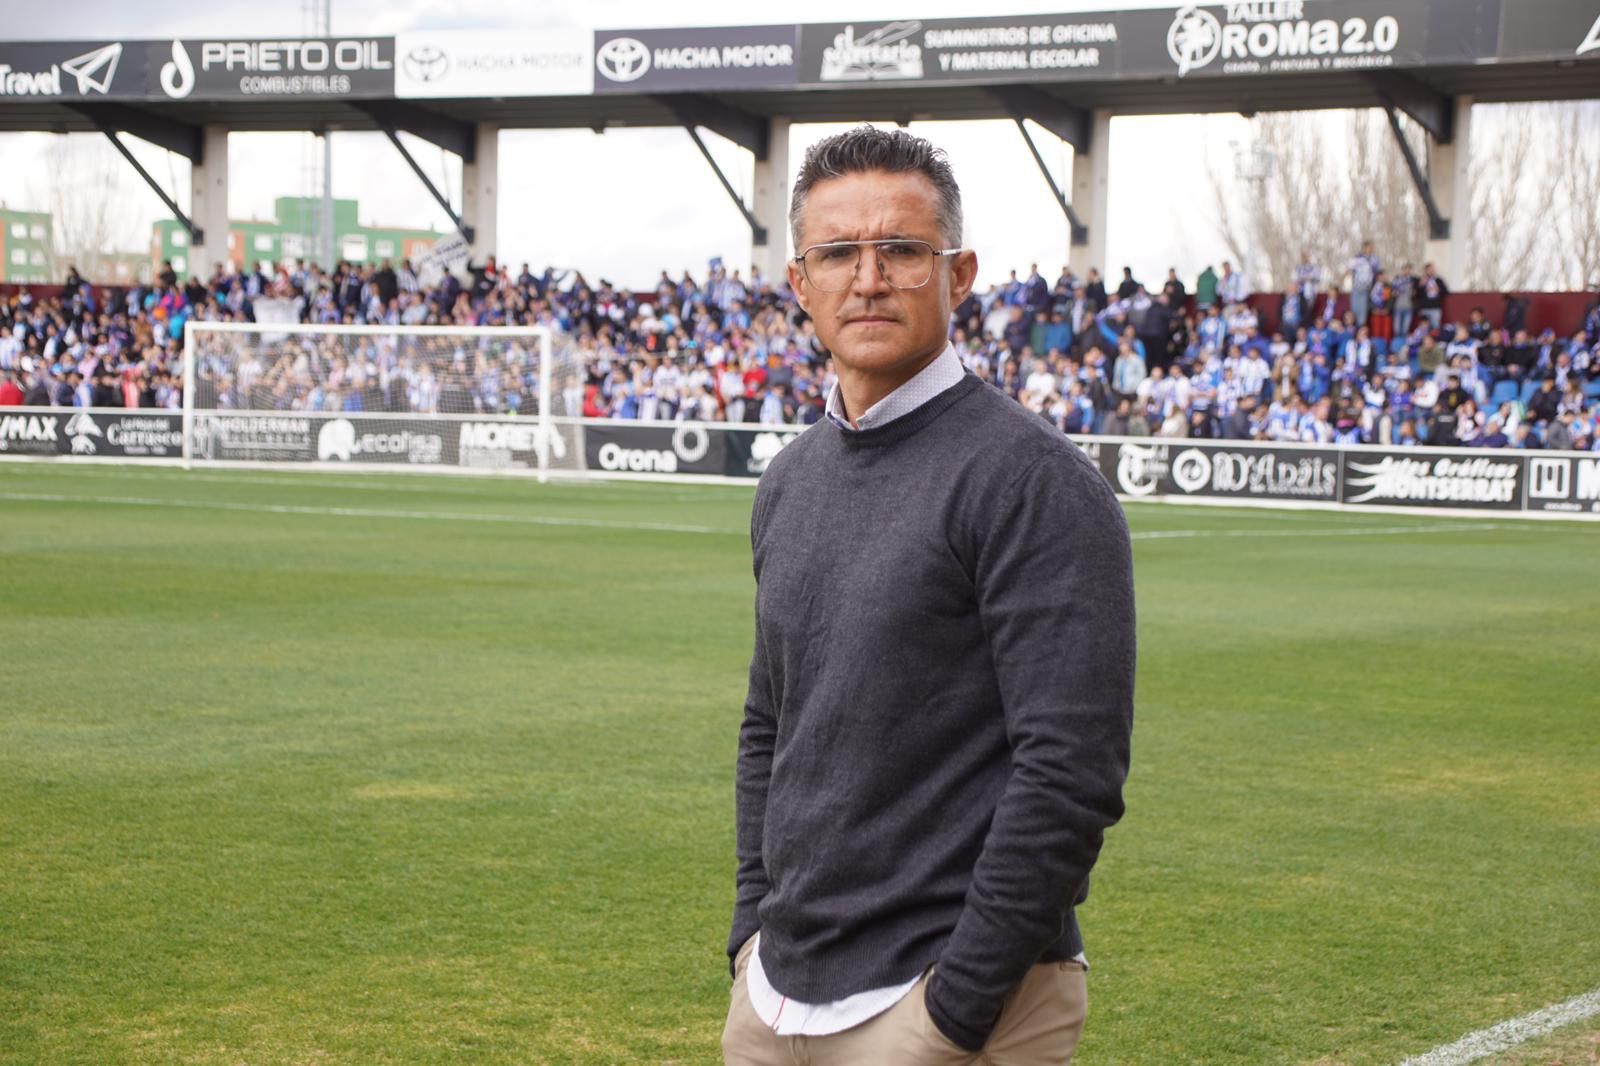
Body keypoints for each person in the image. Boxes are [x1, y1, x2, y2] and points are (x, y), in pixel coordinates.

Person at [724, 126, 1135, 1066]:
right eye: (838, 254)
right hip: (778, 996)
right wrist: (752, 931)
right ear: (801, 283)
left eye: (904, 251)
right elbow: (769, 723)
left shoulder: (1032, 483)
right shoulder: (790, 480)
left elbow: (1071, 771)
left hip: (940, 1010)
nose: (868, 279)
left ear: (959, 276)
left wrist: (957, 1010)